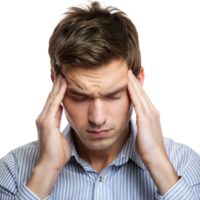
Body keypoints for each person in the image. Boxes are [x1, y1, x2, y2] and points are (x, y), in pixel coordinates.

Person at [0, 1, 200, 199]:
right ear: (54, 85)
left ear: (139, 81)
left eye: (113, 96)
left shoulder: (185, 163)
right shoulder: (13, 168)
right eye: (79, 97)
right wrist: (46, 171)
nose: (97, 118)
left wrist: (157, 162)